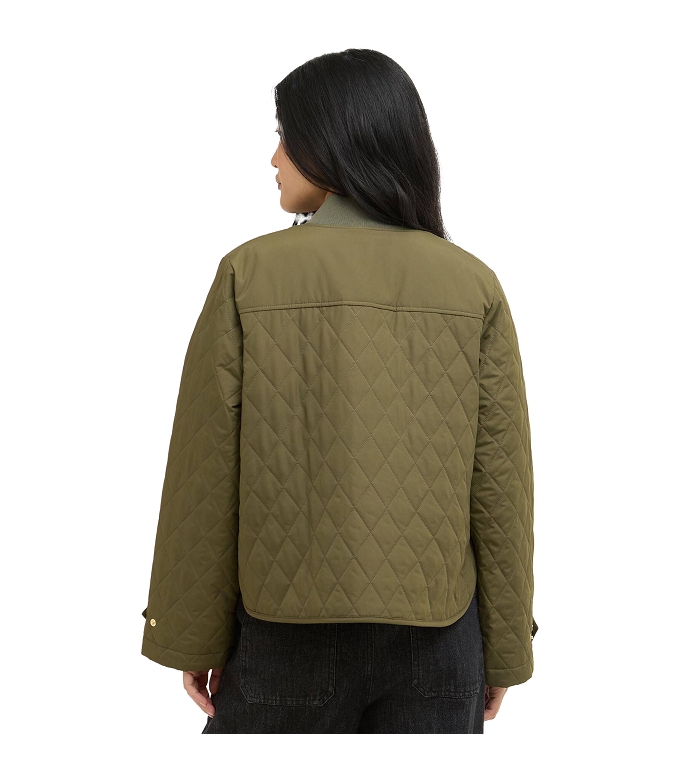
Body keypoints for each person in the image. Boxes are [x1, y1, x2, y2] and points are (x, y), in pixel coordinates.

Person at [140, 48, 537, 734]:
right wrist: (504, 647)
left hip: (283, 633)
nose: (273, 158)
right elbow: (501, 487)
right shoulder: (473, 285)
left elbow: (205, 474)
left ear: (331, 142)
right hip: (440, 640)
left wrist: (192, 634)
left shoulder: (248, 274)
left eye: (284, 137)